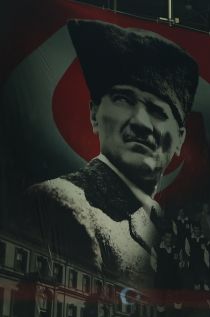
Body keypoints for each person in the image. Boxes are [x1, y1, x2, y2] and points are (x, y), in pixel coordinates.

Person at [24, 20, 199, 283]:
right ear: (94, 114)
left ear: (180, 139)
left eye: (158, 111)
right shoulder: (64, 204)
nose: (141, 123)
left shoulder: (162, 222)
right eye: (123, 99)